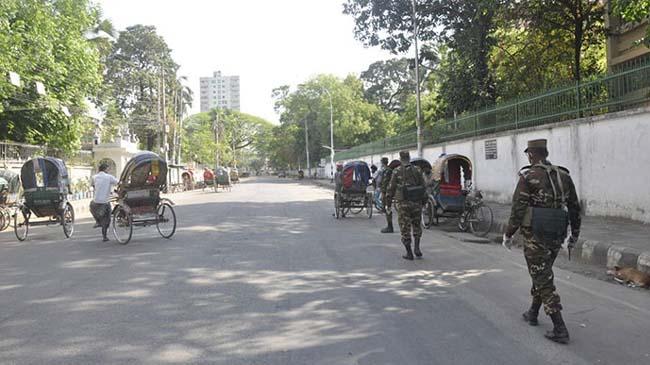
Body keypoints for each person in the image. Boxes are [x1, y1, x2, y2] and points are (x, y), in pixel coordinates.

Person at [502, 139, 581, 344]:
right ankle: (533, 313)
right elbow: (574, 207)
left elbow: (518, 209)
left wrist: (508, 234)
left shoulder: (528, 176)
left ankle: (560, 328)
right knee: (542, 273)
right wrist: (574, 234)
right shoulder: (563, 175)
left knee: (543, 278)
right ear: (545, 153)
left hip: (535, 235)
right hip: (557, 232)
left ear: (531, 155)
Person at [386, 151, 427, 260]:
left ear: (400, 158)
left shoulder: (397, 171)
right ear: (409, 157)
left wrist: (388, 203)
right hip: (416, 202)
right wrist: (424, 201)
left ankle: (409, 253)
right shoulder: (417, 169)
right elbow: (424, 186)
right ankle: (417, 248)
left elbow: (391, 188)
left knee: (405, 227)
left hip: (403, 203)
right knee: (417, 225)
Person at [90, 163, 119, 242]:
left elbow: (93, 186)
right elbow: (118, 183)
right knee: (107, 218)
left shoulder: (94, 177)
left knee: (91, 207)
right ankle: (104, 236)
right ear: (106, 169)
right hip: (105, 202)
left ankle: (97, 221)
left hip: (96, 201)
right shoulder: (109, 177)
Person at [380, 157, 394, 233]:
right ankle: (389, 225)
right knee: (387, 209)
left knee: (388, 209)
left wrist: (383, 193)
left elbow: (385, 183)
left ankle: (390, 226)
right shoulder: (388, 170)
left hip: (387, 192)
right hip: (388, 192)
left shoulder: (387, 171)